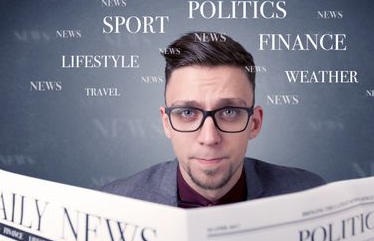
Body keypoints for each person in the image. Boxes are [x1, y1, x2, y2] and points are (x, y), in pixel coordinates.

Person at [101, 31, 325, 207]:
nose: (209, 138)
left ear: (254, 123)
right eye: (187, 113)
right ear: (167, 123)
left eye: (229, 112)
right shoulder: (110, 206)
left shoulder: (311, 194)